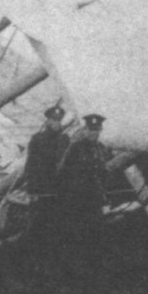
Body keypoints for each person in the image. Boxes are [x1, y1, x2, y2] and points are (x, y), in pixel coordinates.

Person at [55, 113, 108, 278]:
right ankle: (73, 269)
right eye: (91, 130)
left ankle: (93, 267)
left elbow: (103, 172)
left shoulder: (101, 149)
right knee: (76, 231)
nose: (94, 133)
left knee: (95, 231)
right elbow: (62, 171)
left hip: (94, 198)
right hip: (77, 198)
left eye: (97, 130)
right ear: (85, 130)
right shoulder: (76, 148)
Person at [22, 105, 70, 250]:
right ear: (48, 121)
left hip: (58, 191)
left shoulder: (64, 140)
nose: (57, 123)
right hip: (40, 190)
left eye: (59, 120)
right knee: (36, 225)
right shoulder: (37, 139)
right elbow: (30, 166)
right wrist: (31, 191)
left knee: (57, 226)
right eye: (54, 120)